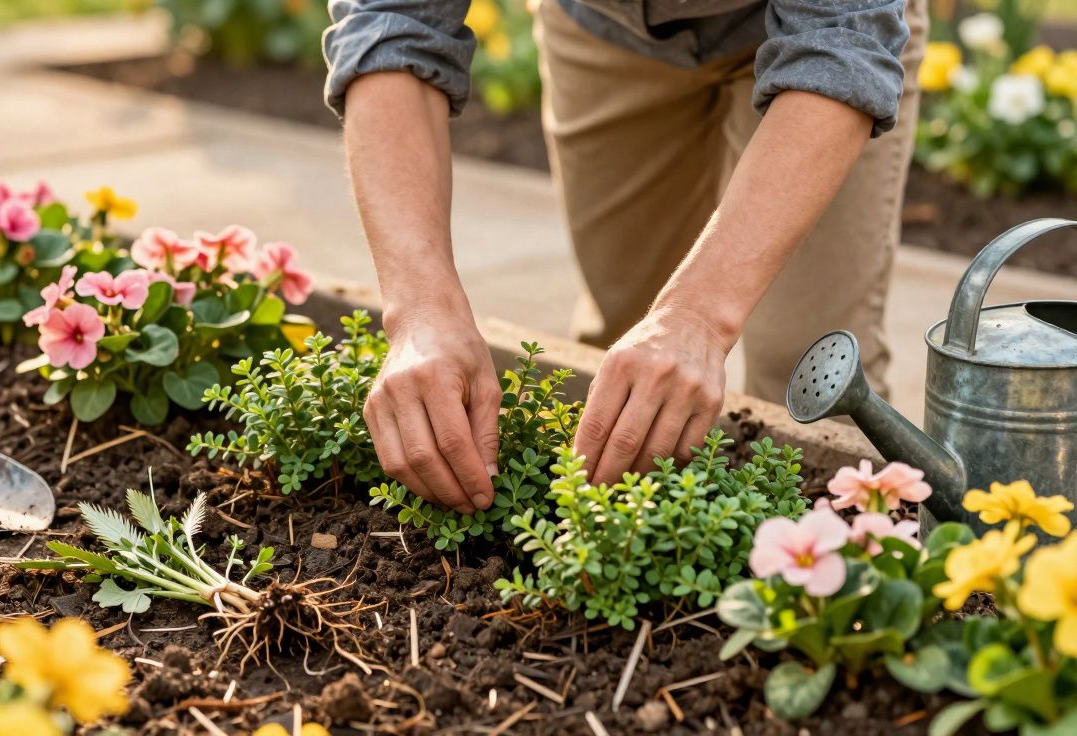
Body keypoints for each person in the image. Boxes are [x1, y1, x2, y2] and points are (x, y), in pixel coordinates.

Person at [323, 0, 927, 514]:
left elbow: (838, 50)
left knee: (805, 370)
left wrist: (698, 319)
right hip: (602, 28)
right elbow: (390, 21)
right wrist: (419, 311)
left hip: (824, 36)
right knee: (621, 350)